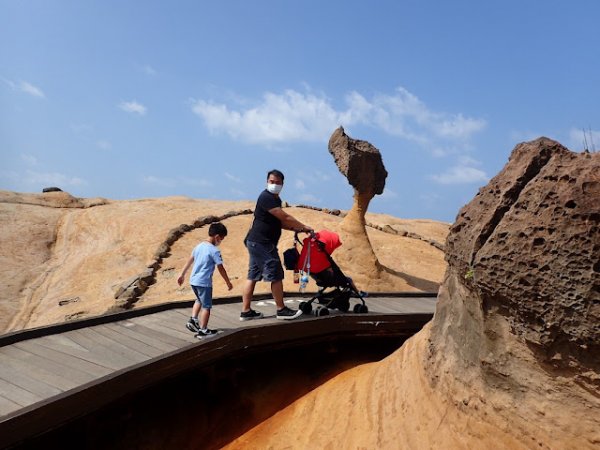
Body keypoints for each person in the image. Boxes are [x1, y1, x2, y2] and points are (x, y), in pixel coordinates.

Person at [241, 169, 313, 321]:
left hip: (256, 242)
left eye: (277, 182)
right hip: (262, 243)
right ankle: (281, 309)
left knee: (253, 275)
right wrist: (304, 226)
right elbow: (285, 216)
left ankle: (246, 312)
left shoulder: (274, 200)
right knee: (276, 273)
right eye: (271, 182)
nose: (274, 184)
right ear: (267, 182)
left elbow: (279, 223)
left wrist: (298, 229)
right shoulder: (266, 197)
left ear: (282, 184)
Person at [178, 222, 233, 337]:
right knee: (207, 306)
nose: (220, 242)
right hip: (204, 282)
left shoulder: (199, 246)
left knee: (199, 299)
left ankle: (193, 320)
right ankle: (203, 330)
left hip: (194, 280)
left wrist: (182, 274)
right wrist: (228, 282)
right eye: (221, 239)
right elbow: (221, 268)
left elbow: (190, 260)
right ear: (217, 236)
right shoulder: (214, 250)